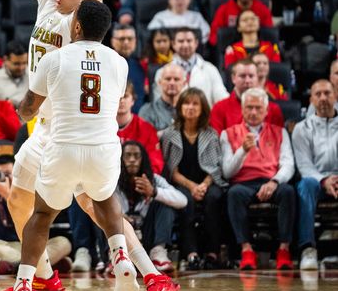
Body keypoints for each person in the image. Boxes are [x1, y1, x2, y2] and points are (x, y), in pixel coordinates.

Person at [5, 0, 177, 291]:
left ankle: (151, 274)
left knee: (95, 207)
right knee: (18, 198)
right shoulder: (46, 5)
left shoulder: (82, 24)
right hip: (43, 129)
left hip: (67, 127)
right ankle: (44, 278)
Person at [7, 0, 140, 291]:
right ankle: (120, 255)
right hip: (103, 147)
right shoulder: (119, 63)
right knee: (104, 198)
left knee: (41, 216)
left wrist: (21, 111)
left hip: (63, 146)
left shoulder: (54, 59)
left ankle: (23, 288)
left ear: (76, 26)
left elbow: (29, 110)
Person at [222, 88, 296, 271]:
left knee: (288, 192)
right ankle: (246, 250)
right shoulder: (228, 133)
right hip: (243, 182)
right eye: (249, 107)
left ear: (266, 110)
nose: (253, 112)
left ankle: (284, 249)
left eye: (258, 108)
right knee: (233, 194)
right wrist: (242, 151)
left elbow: (288, 164)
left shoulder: (280, 132)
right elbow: (227, 172)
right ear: (242, 109)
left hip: (271, 180)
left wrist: (274, 182)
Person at [160, 88, 228, 270]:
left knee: (214, 198)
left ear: (202, 108)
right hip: (180, 182)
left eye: (195, 104)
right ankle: (191, 254)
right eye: (186, 103)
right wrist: (192, 187)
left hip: (208, 182)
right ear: (180, 107)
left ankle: (213, 253)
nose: (190, 107)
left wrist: (203, 185)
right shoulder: (170, 134)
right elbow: (171, 170)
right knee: (186, 201)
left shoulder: (211, 134)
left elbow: (216, 167)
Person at [0, 155, 72, 274]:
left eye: (8, 174)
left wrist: (8, 195)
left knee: (64, 243)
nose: (4, 178)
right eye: (0, 174)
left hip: (33, 245)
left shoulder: (28, 190)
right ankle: (42, 266)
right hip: (5, 246)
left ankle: (14, 267)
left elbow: (34, 221)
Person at [115, 141, 188, 273]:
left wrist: (154, 192)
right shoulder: (113, 181)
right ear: (121, 159)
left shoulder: (155, 179)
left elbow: (183, 201)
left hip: (148, 233)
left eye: (136, 155)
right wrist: (117, 214)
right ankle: (115, 255)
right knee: (103, 208)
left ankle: (158, 252)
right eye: (128, 155)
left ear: (143, 159)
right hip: (123, 235)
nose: (132, 160)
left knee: (164, 201)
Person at [292, 79, 338, 271]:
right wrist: (324, 181)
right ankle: (308, 249)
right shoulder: (301, 129)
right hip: (316, 182)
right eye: (318, 94)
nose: (323, 98)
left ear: (335, 96)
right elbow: (304, 165)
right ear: (311, 100)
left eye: (327, 93)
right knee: (305, 185)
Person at [209, 59, 284, 133]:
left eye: (251, 76)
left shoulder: (273, 110)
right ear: (233, 78)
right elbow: (216, 139)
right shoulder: (219, 109)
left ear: (257, 78)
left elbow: (278, 137)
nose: (247, 81)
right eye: (242, 76)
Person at [159, 28, 229, 106]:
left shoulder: (210, 69)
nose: (185, 45)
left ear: (196, 43)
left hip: (206, 113)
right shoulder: (162, 72)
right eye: (181, 41)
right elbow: (159, 104)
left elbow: (222, 98)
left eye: (189, 41)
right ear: (173, 44)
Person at [209, 0, 274, 47]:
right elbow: (213, 37)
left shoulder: (263, 10)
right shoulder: (223, 9)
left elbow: (270, 35)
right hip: (230, 49)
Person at [117, 82, 166, 174]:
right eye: (117, 97)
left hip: (140, 178)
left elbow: (156, 163)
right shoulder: (102, 128)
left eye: (125, 96)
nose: (121, 101)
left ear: (133, 100)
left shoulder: (146, 128)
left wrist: (144, 177)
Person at [139, 63, 187, 133]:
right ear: (159, 82)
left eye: (176, 79)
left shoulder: (191, 110)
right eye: (168, 79)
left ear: (184, 83)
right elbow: (145, 137)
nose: (172, 83)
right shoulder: (147, 111)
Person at [110, 25, 147, 112]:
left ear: (135, 41)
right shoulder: (105, 65)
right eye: (121, 39)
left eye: (130, 39)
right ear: (112, 41)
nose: (126, 42)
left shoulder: (142, 66)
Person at [0, 40, 29, 109]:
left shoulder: (33, 77)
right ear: (5, 59)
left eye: (24, 63)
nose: (21, 68)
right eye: (16, 64)